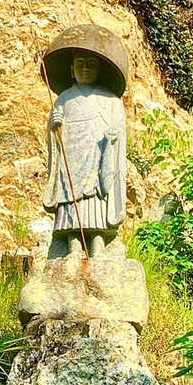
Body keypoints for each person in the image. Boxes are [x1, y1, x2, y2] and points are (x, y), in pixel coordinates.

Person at [41, 26, 129, 258]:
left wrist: (113, 138)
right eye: (80, 62)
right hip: (71, 157)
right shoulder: (64, 99)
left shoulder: (111, 100)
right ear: (71, 69)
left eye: (92, 63)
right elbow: (54, 136)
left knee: (97, 197)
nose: (86, 68)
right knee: (69, 197)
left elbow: (119, 131)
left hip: (97, 160)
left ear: (101, 69)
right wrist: (53, 127)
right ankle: (73, 246)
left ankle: (98, 243)